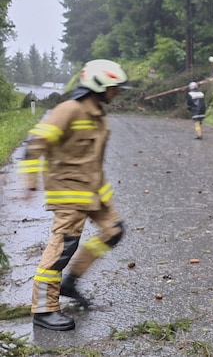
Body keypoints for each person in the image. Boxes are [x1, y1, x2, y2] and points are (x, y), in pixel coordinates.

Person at [18, 59, 129, 330]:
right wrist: (31, 181)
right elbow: (35, 145)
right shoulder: (68, 110)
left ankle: (71, 282)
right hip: (68, 193)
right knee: (62, 248)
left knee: (113, 231)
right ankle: (44, 309)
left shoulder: (98, 116)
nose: (117, 92)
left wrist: (104, 195)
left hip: (92, 192)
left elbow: (93, 161)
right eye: (114, 87)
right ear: (99, 86)